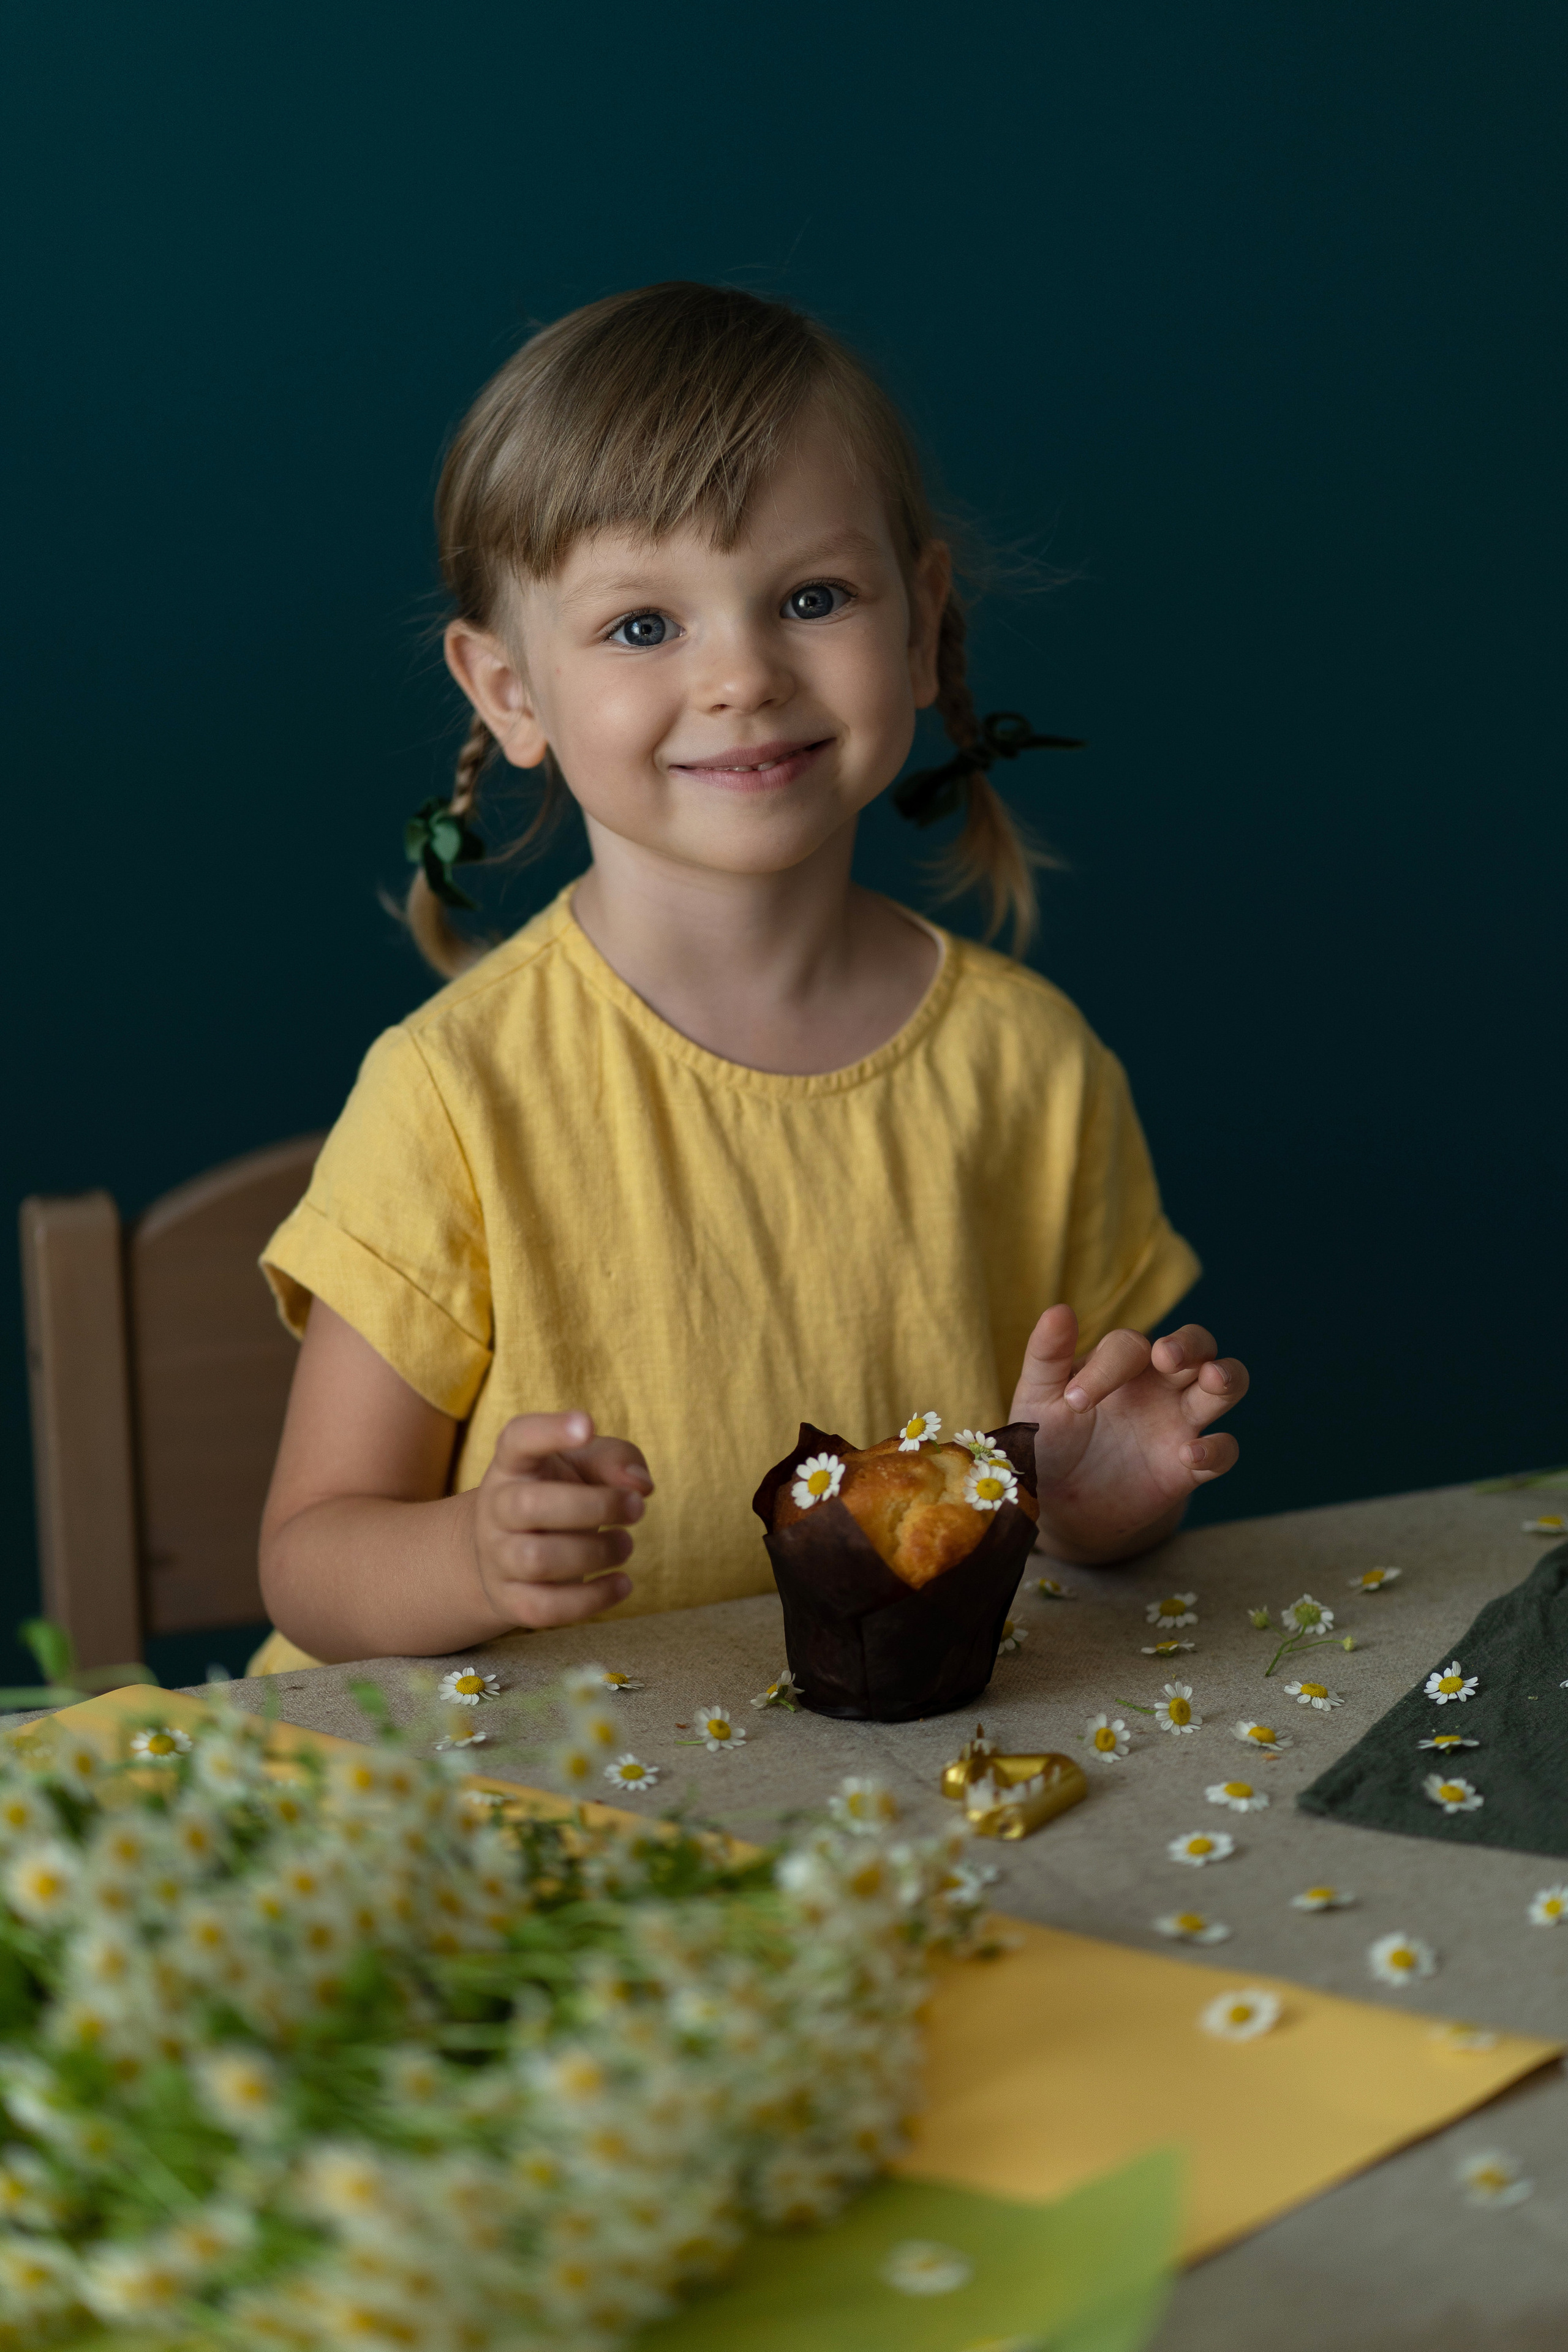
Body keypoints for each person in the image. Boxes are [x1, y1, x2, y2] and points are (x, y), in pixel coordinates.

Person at [252, 281, 1248, 1674]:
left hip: (866, 1801)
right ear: (508, 693)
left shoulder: (1033, 1068)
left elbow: (1057, 1504)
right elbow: (310, 1560)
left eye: (810, 597)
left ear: (919, 624)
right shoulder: (454, 1093)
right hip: (520, 1813)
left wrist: (1084, 1503)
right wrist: (469, 1551)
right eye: (643, 625)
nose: (742, 676)